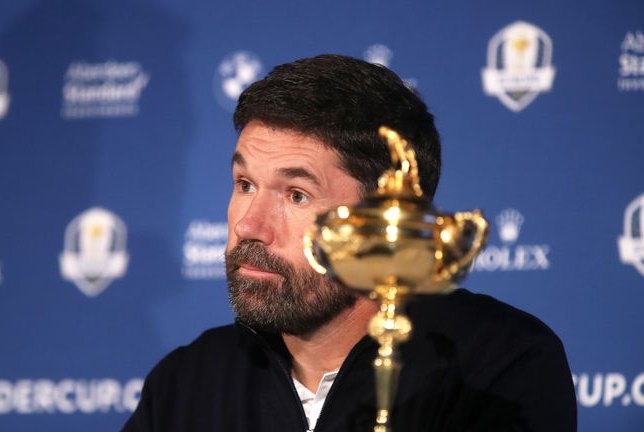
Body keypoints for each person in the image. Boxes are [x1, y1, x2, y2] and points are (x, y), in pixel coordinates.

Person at [121, 54, 576, 432]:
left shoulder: (496, 363)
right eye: (244, 184)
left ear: (387, 216)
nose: (249, 225)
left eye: (296, 195)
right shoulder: (186, 383)